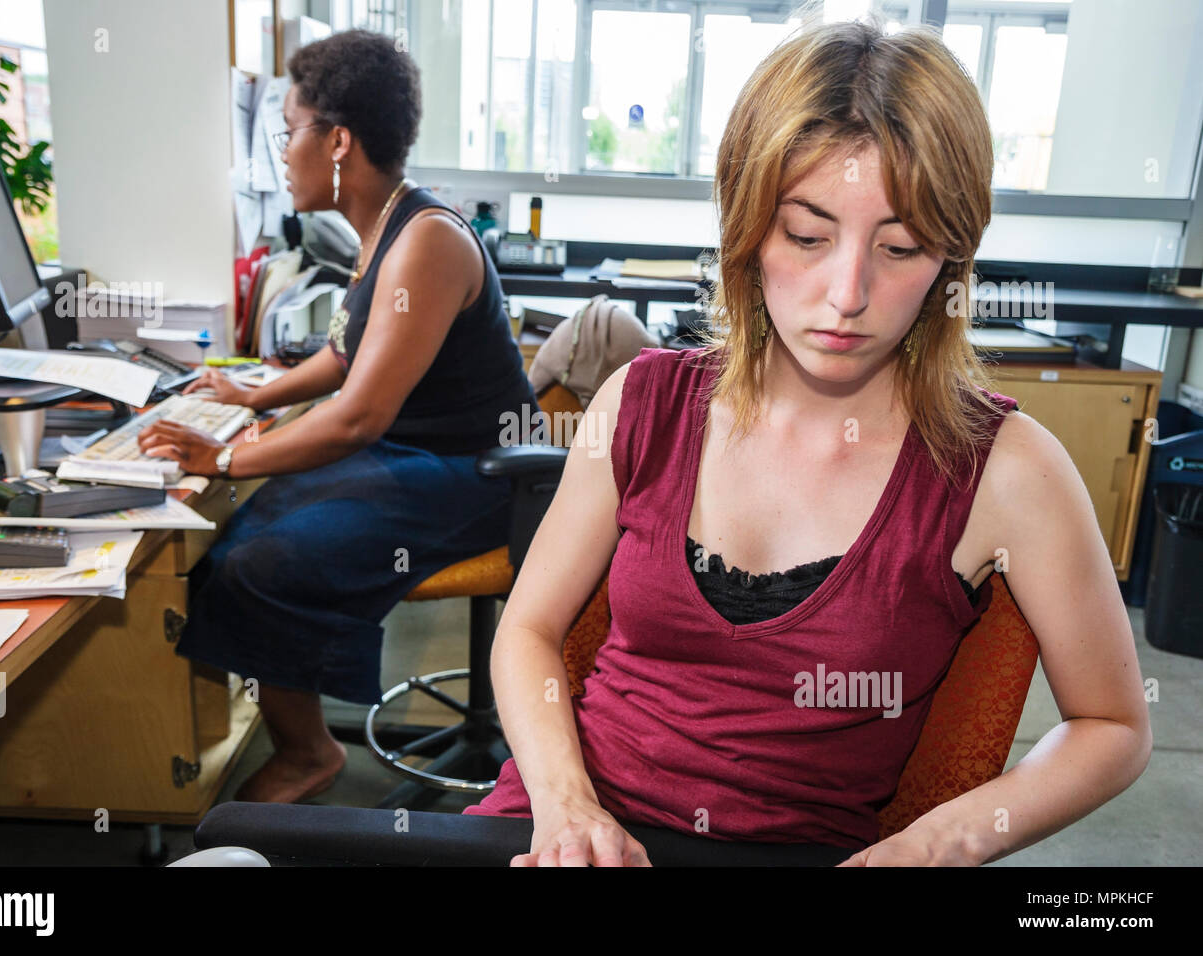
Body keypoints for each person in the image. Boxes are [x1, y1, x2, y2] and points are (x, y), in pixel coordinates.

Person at [463, 18, 1152, 866]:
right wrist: (565, 807)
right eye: (807, 235)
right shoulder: (642, 404)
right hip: (563, 835)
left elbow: (1113, 725)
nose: (848, 293)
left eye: (901, 247)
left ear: (952, 260)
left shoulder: (1006, 471)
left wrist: (937, 841)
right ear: (749, 229)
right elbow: (527, 629)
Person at [136, 29, 537, 804]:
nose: (284, 153)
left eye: (291, 132)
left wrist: (220, 459)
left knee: (262, 558)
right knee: (244, 532)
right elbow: (349, 355)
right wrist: (251, 399)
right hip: (415, 453)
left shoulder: (426, 241)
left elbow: (357, 415)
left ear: (340, 141)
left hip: (477, 476)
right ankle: (297, 735)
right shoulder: (383, 226)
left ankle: (308, 754)